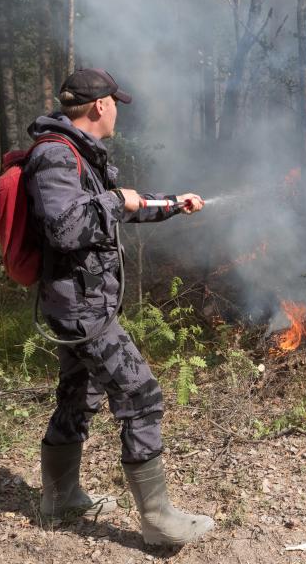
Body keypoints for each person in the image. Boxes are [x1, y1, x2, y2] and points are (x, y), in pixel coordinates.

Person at [23, 68, 214, 545]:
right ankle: (158, 521)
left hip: (81, 303)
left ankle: (60, 498)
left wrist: (172, 203)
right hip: (80, 309)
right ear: (100, 106)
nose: (117, 113)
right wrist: (113, 200)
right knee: (140, 393)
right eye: (115, 103)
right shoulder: (54, 156)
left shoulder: (78, 154)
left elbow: (120, 207)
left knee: (79, 395)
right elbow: (65, 229)